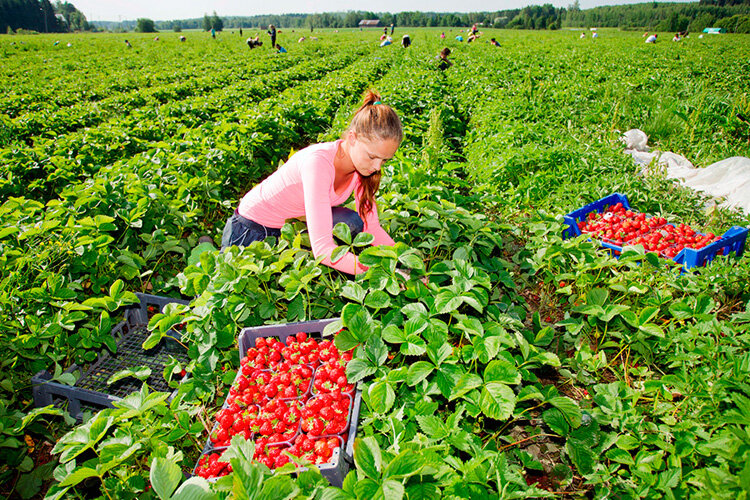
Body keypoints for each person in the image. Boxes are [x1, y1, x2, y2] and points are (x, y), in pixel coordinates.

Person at [221, 91, 402, 276]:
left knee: (352, 222)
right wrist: (381, 273)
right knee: (219, 294)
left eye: (384, 160)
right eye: (372, 156)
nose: (377, 167)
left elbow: (372, 226)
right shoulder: (318, 164)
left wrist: (403, 262)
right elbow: (323, 250)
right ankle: (211, 248)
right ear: (353, 138)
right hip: (252, 228)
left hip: (290, 228)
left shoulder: (364, 169)